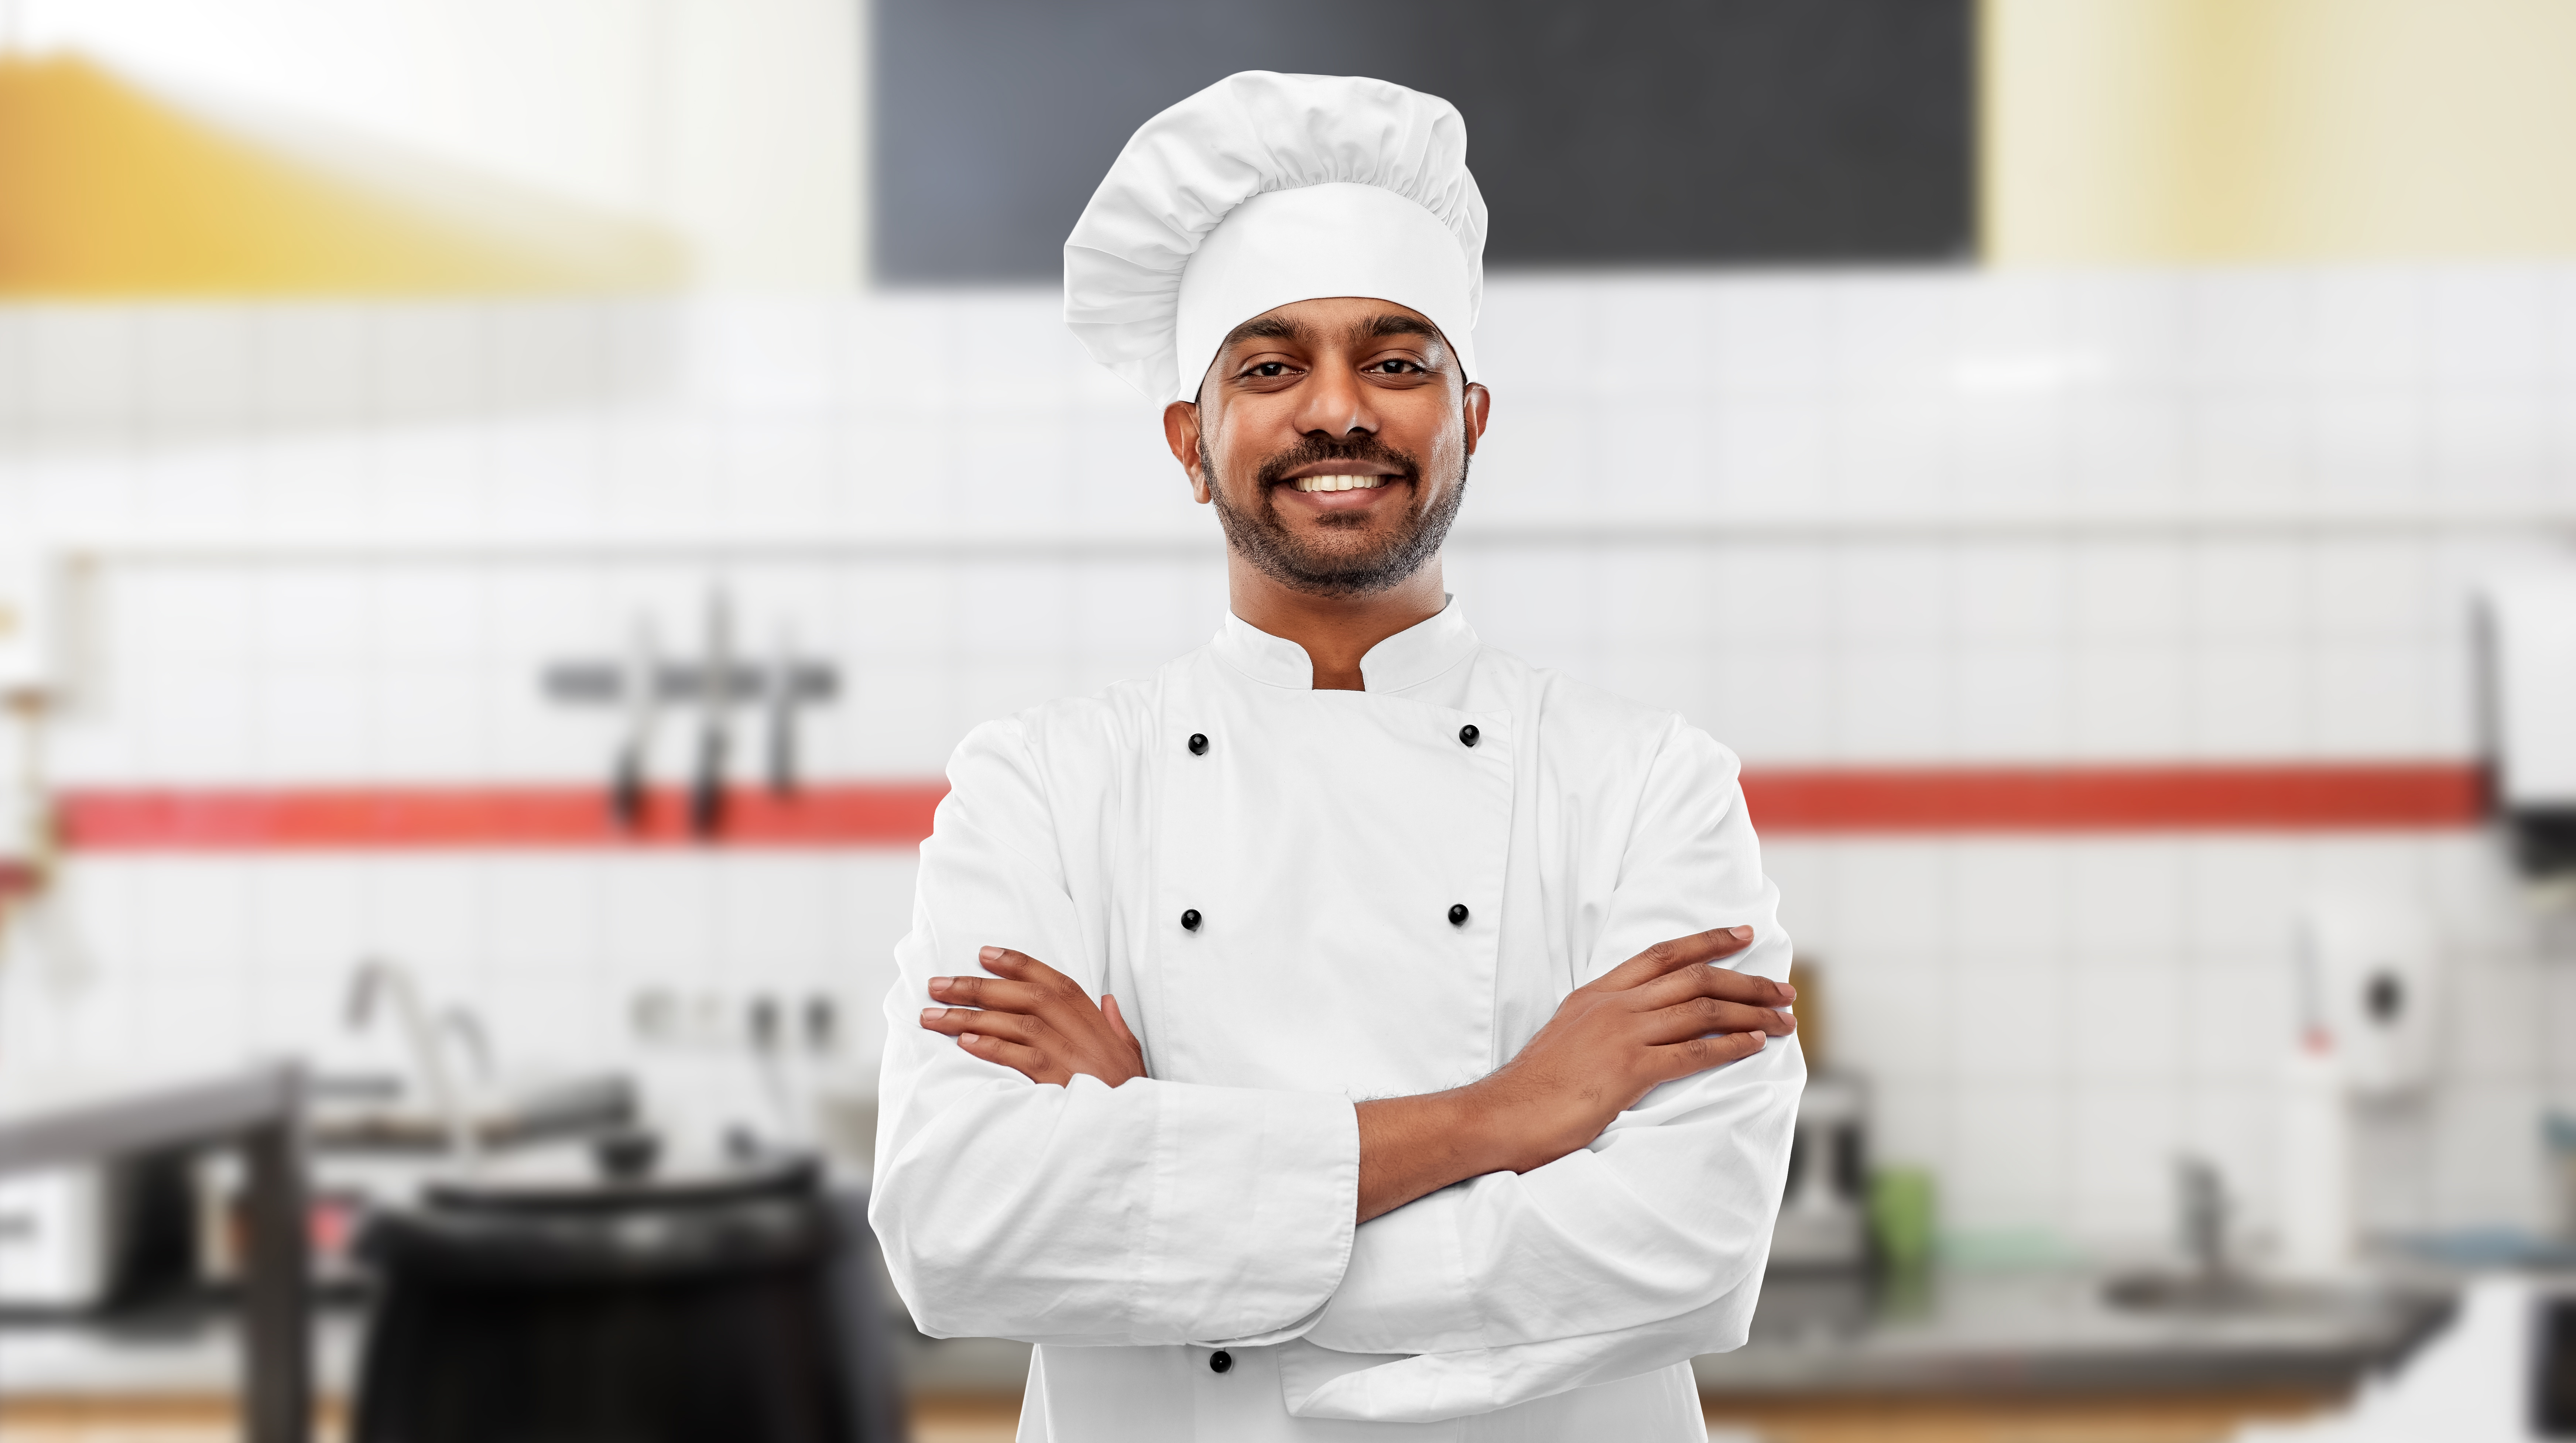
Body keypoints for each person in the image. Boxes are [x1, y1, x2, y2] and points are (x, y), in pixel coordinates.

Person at [870, 71, 1803, 1442]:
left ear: (1469, 419)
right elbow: (956, 1229)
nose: (1337, 411)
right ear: (1193, 443)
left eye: (1396, 359)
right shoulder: (1043, 787)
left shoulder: (1651, 786)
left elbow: (1690, 1250)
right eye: (1269, 365)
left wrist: (1162, 1160)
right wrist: (1505, 1113)